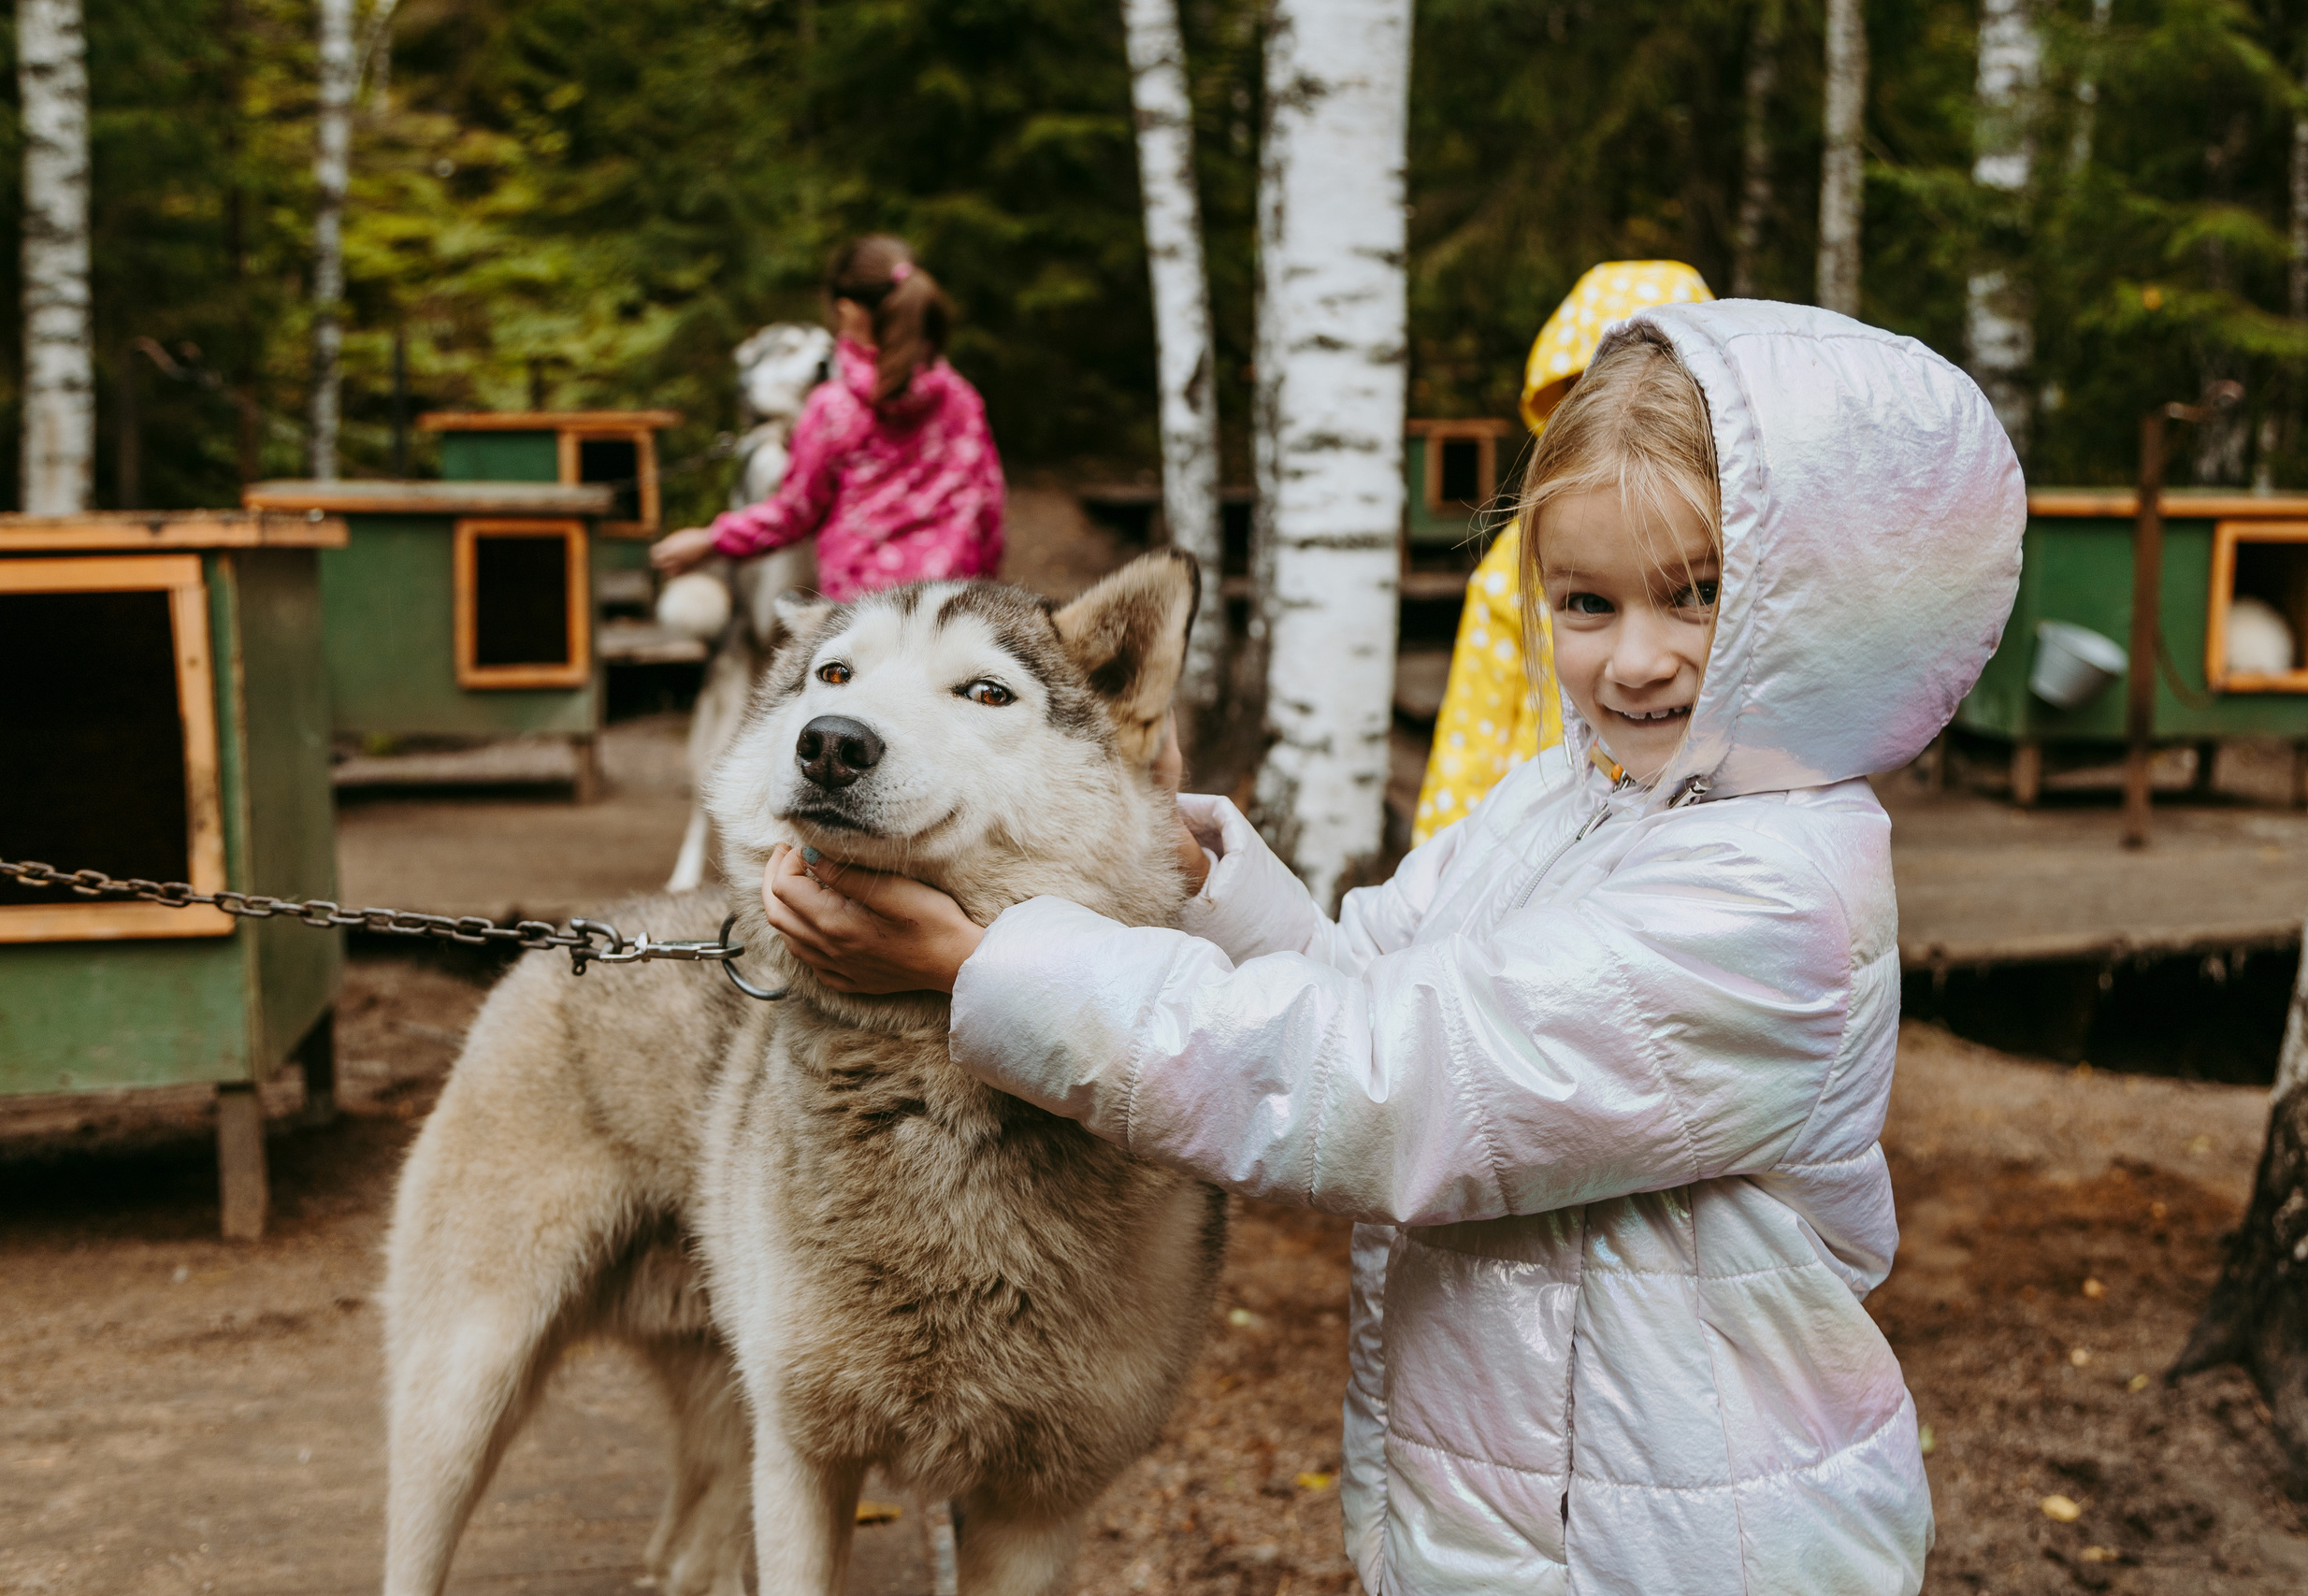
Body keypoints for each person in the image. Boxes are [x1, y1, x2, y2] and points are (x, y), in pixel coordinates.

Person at [758, 301, 2025, 1594]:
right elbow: (1358, 981)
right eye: (1586, 601)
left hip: (1695, 1541)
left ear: (1826, 602)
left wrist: (981, 967)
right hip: (1515, 1502)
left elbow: (1385, 1081)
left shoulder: (1776, 901)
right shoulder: (1568, 798)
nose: (1636, 659)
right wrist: (1181, 870)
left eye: (1698, 595)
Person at [1416, 258, 1712, 846]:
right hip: (1544, 830)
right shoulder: (1515, 558)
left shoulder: (1741, 527)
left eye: (1700, 592)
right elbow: (1475, 724)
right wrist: (1450, 851)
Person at [651, 236, 1004, 596]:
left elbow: (793, 514)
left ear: (849, 309)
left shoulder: (835, 407)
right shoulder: (961, 399)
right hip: (955, 607)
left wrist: (711, 540)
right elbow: (989, 510)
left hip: (865, 613)